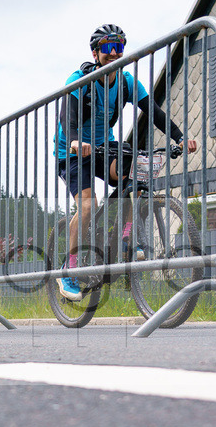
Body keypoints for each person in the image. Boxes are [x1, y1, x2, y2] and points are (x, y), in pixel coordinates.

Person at [55, 24, 198, 302]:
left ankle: (122, 239)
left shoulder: (127, 82)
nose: (114, 53)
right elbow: (67, 119)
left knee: (133, 176)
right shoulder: (78, 79)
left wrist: (180, 137)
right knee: (88, 205)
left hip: (103, 147)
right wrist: (74, 142)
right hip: (71, 152)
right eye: (108, 48)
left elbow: (154, 112)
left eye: (119, 48)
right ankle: (69, 269)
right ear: (96, 53)